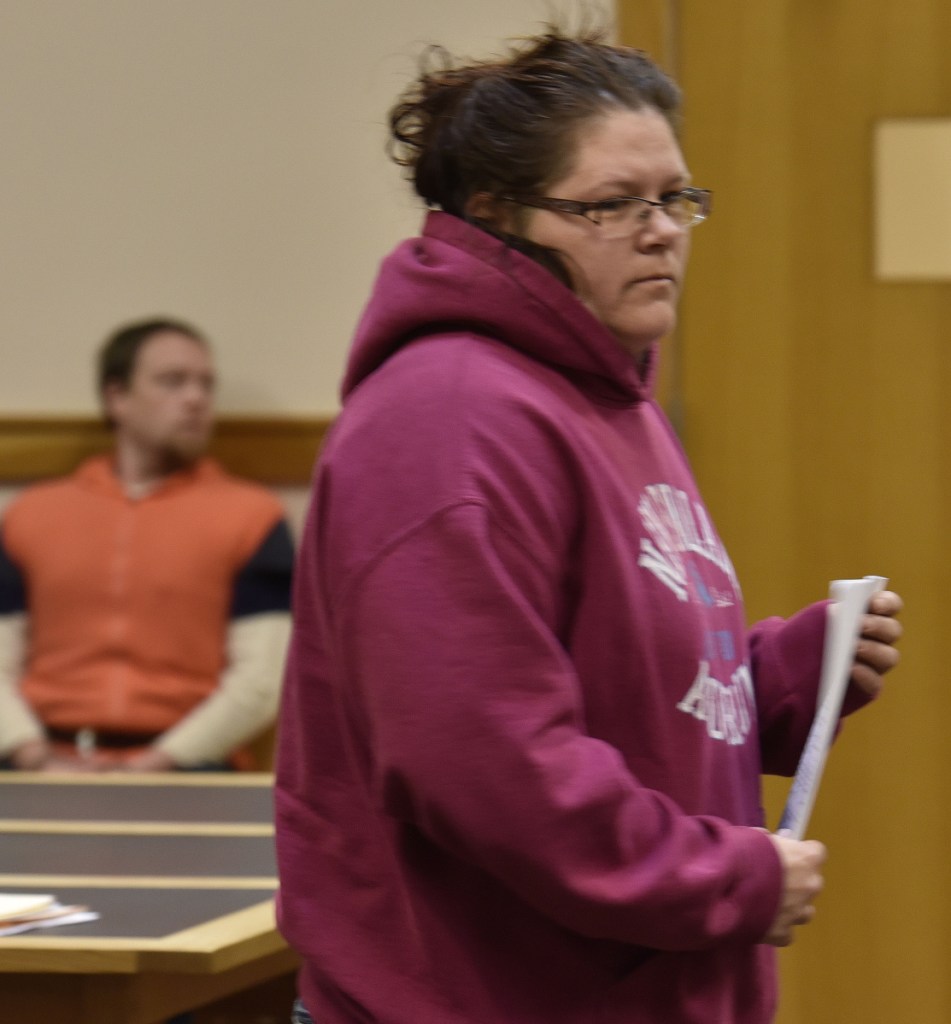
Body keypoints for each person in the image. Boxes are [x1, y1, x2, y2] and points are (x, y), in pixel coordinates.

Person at [274, 28, 903, 1024]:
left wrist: (782, 678)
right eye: (613, 204)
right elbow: (486, 761)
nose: (661, 231)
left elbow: (621, 682)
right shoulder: (449, 417)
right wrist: (720, 879)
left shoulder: (606, 396)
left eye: (677, 199)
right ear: (496, 217)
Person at [0, 317, 294, 772]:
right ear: (116, 397)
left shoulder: (253, 517)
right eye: (172, 382)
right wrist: (33, 755)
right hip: (41, 761)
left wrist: (158, 762)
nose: (196, 399)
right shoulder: (32, 514)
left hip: (192, 768)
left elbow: (263, 679)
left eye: (205, 385)